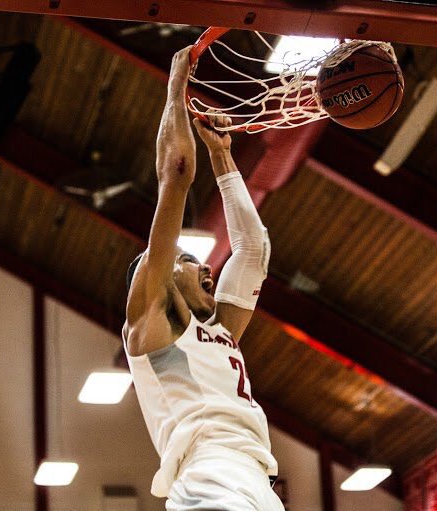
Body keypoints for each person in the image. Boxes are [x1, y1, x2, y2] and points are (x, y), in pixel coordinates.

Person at [122, 46, 285, 511]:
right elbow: (175, 172)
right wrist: (176, 88)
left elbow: (254, 249)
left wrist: (222, 156)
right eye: (189, 260)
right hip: (209, 470)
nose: (208, 265)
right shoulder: (153, 329)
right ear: (158, 281)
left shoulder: (221, 330)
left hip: (255, 477)